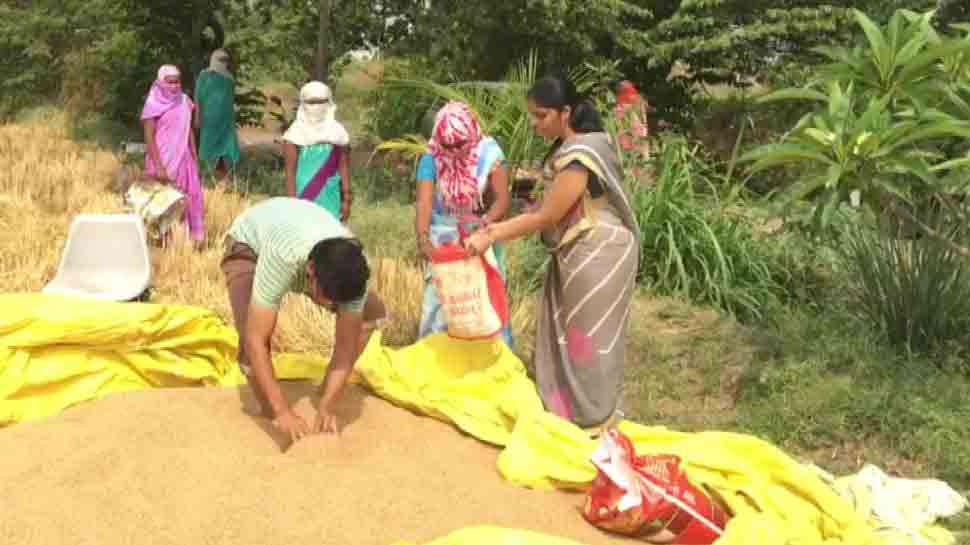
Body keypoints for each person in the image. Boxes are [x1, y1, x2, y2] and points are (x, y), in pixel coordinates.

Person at [463, 75, 640, 431]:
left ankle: (595, 421)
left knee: (591, 342)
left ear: (566, 112)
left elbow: (549, 215)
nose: (534, 123)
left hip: (599, 254)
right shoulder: (573, 146)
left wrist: (493, 233)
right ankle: (570, 415)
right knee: (572, 337)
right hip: (577, 251)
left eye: (541, 115)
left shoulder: (581, 153)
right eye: (531, 115)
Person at [220, 197, 387, 442]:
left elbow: (345, 347)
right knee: (250, 343)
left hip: (305, 234)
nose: (332, 308)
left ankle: (324, 391)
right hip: (249, 245)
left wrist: (328, 404)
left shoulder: (353, 271)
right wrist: (283, 411)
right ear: (310, 274)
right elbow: (257, 340)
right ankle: (270, 413)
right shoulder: (283, 256)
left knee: (372, 313)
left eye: (338, 304)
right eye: (329, 300)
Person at [415, 101, 514, 347]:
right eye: (447, 146)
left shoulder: (491, 155)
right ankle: (437, 358)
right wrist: (424, 239)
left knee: (482, 299)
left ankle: (490, 358)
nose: (454, 151)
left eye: (459, 145)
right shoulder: (431, 158)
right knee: (442, 300)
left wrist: (484, 227)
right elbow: (425, 203)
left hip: (482, 235)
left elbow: (502, 200)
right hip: (444, 239)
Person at [141, 64, 206, 247]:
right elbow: (149, 136)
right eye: (170, 82)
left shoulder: (184, 101)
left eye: (177, 82)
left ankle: (182, 242)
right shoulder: (153, 103)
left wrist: (194, 155)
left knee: (186, 199)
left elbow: (189, 131)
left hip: (183, 160)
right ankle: (160, 241)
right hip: (161, 159)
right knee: (163, 201)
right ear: (161, 82)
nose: (174, 86)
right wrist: (159, 166)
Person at [282, 81, 352, 223]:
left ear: (329, 103)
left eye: (321, 102)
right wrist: (292, 204)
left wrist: (346, 199)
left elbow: (343, 167)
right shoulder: (294, 135)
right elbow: (290, 173)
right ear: (303, 104)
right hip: (303, 198)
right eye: (311, 102)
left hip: (331, 197)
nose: (316, 107)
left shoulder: (338, 133)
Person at [194, 48, 241, 180]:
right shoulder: (204, 75)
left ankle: (225, 180)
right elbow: (198, 97)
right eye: (221, 59)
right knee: (209, 147)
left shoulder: (229, 78)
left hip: (226, 119)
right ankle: (207, 177)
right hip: (209, 119)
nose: (224, 62)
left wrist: (233, 118)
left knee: (228, 148)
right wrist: (197, 116)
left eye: (226, 60)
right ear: (214, 59)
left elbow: (230, 100)